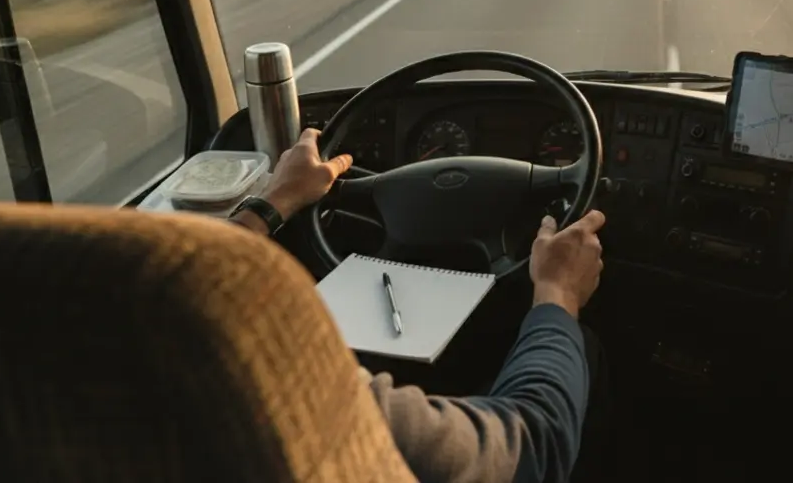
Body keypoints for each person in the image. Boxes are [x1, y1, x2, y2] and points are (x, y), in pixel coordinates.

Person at [230, 128, 608, 483]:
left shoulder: (197, 358)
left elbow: (200, 272)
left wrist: (273, 201)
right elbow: (533, 443)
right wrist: (558, 294)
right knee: (581, 343)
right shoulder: (303, 406)